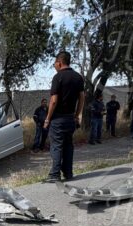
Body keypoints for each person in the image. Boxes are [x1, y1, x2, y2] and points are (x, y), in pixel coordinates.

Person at [44, 51, 85, 182]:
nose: (54, 66)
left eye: (55, 63)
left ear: (59, 62)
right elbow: (82, 98)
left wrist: (47, 118)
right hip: (70, 118)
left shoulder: (58, 77)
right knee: (68, 145)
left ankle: (55, 174)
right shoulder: (78, 77)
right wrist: (77, 115)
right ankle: (68, 173)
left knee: (56, 146)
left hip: (58, 119)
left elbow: (54, 100)